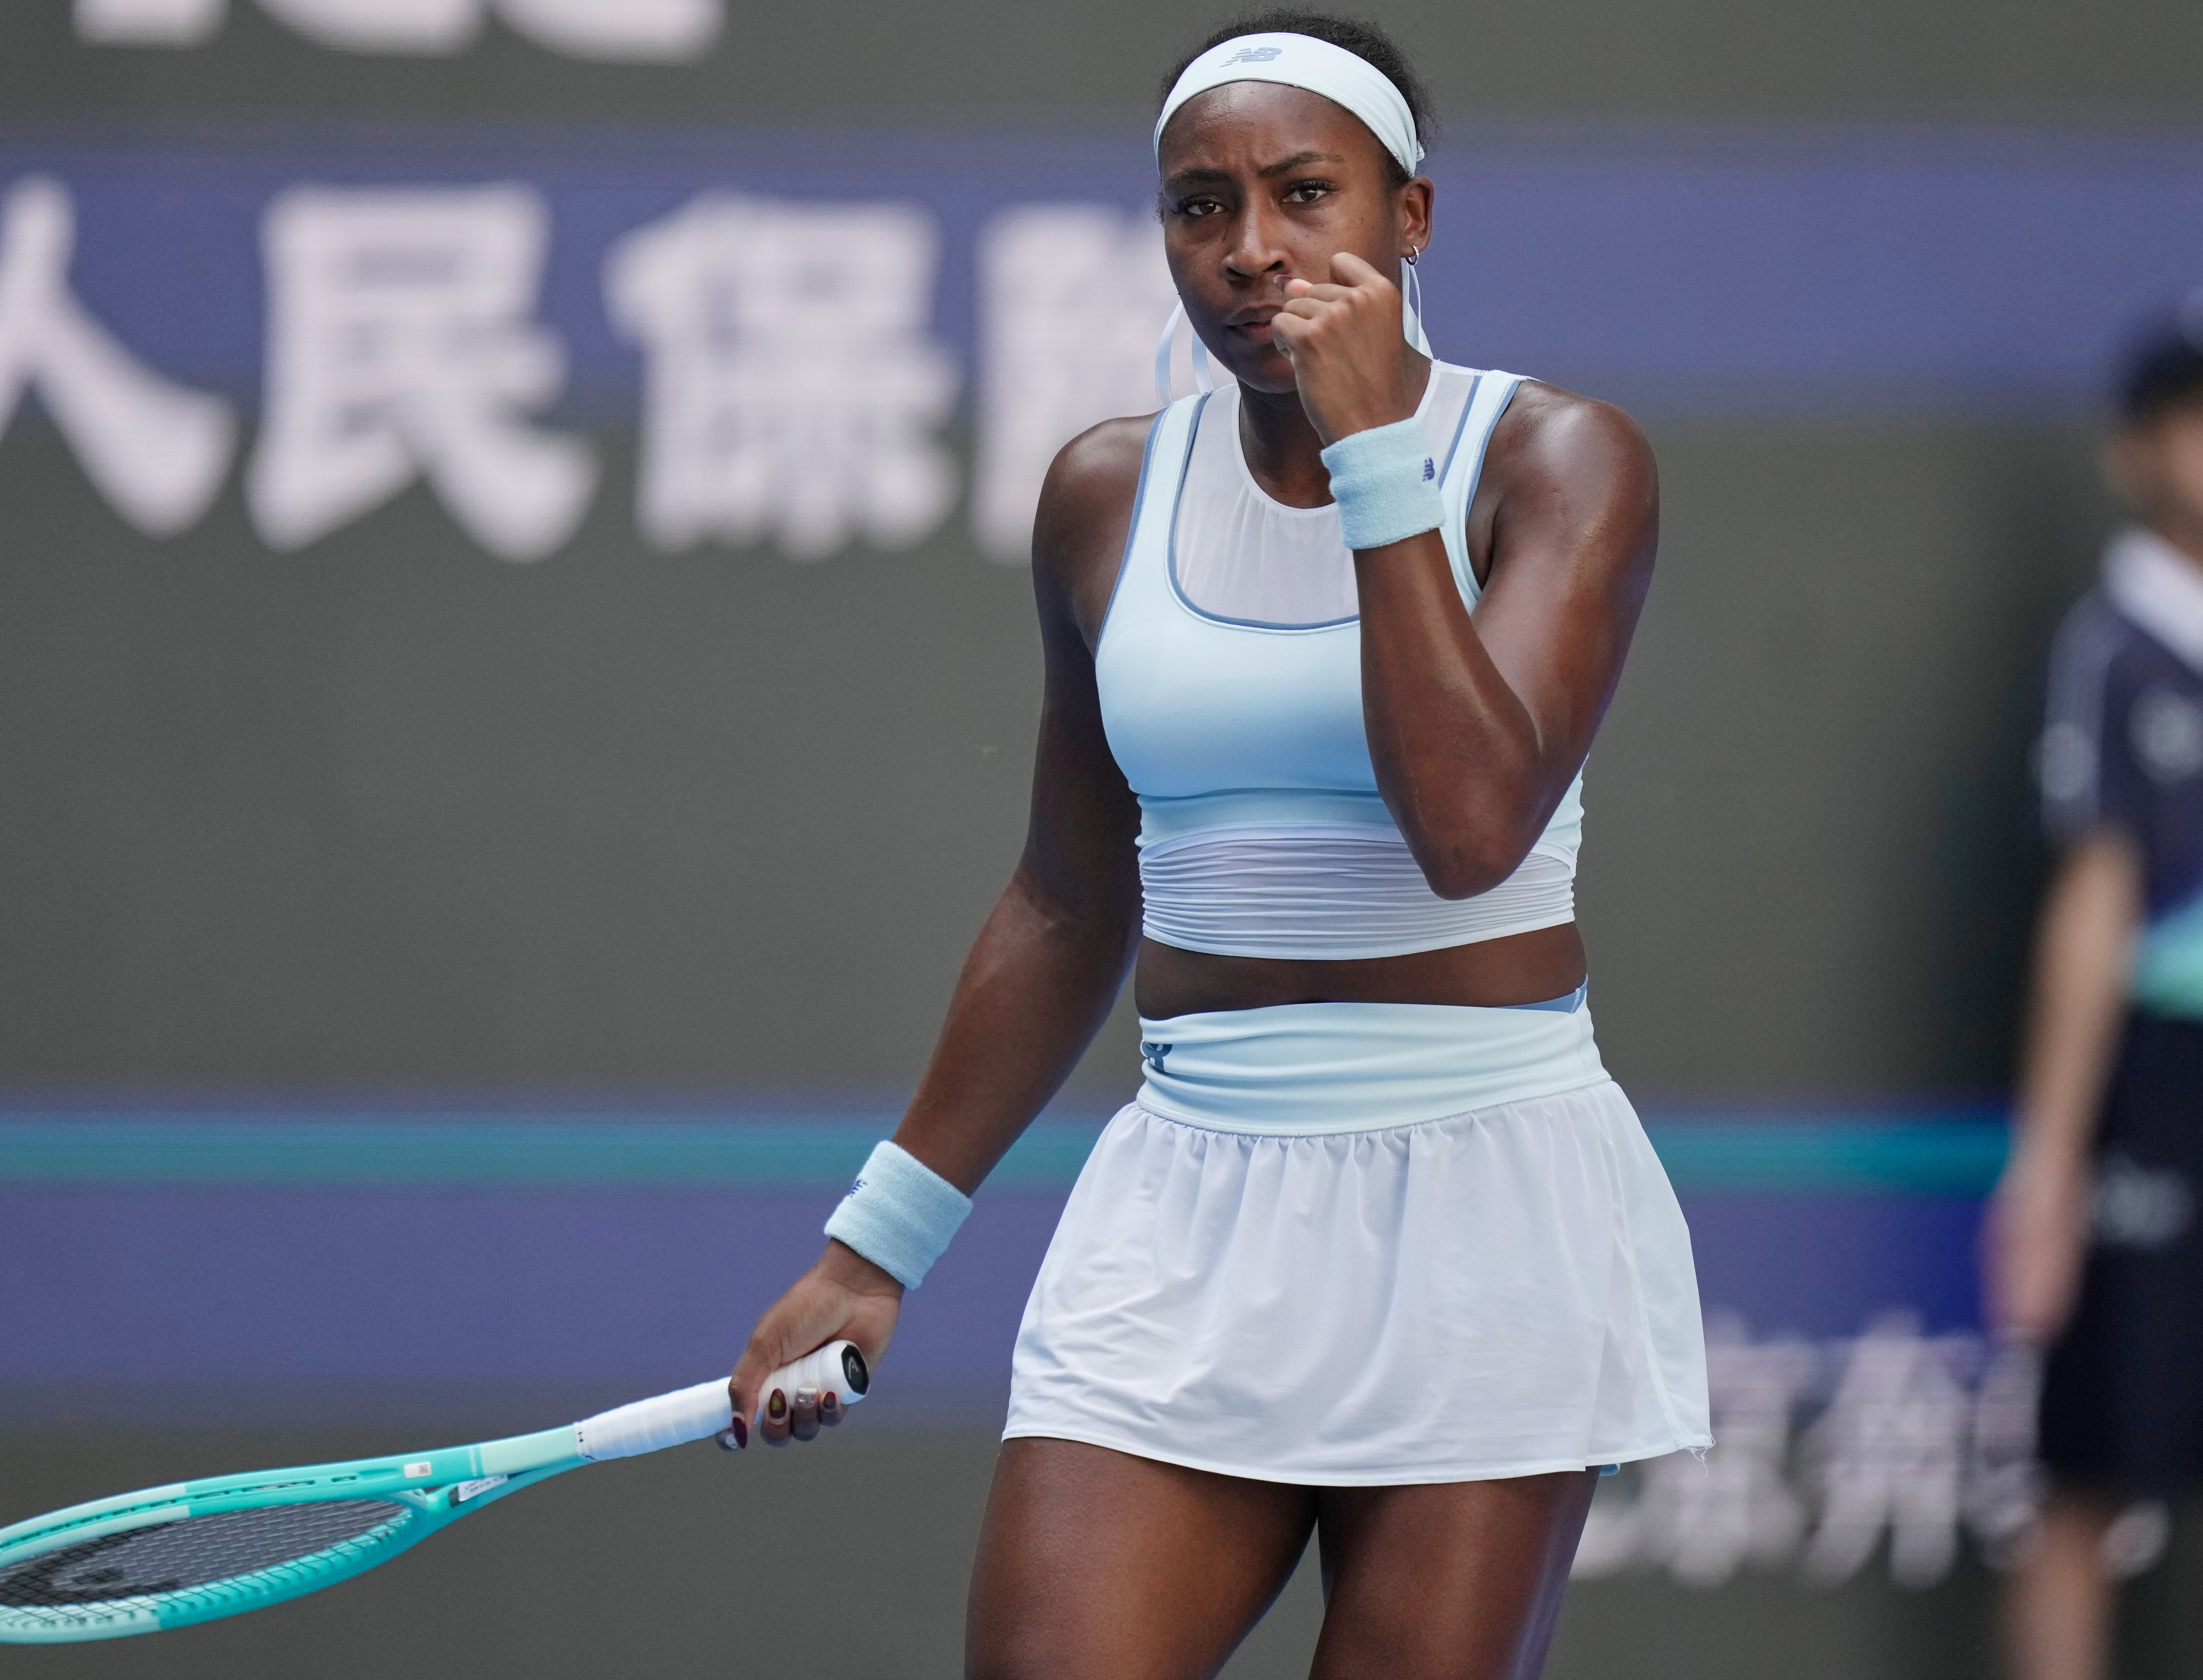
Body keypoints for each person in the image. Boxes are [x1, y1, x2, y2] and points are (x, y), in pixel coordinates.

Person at [727, 13, 1710, 1677]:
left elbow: (1473, 825)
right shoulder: (1107, 495)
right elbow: (1067, 891)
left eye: (1304, 193)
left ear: (1411, 215)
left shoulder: (1555, 460)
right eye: (1200, 207)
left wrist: (1375, 461)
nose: (1253, 250)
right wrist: (872, 1242)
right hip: (1187, 1212)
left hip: (1487, 1214)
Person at [1988, 292, 2203, 1680]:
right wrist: (2048, 1165)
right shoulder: (2116, 649)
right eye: (2199, 417)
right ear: (2135, 450)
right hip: (2158, 1091)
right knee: (2089, 1470)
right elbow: (2091, 906)